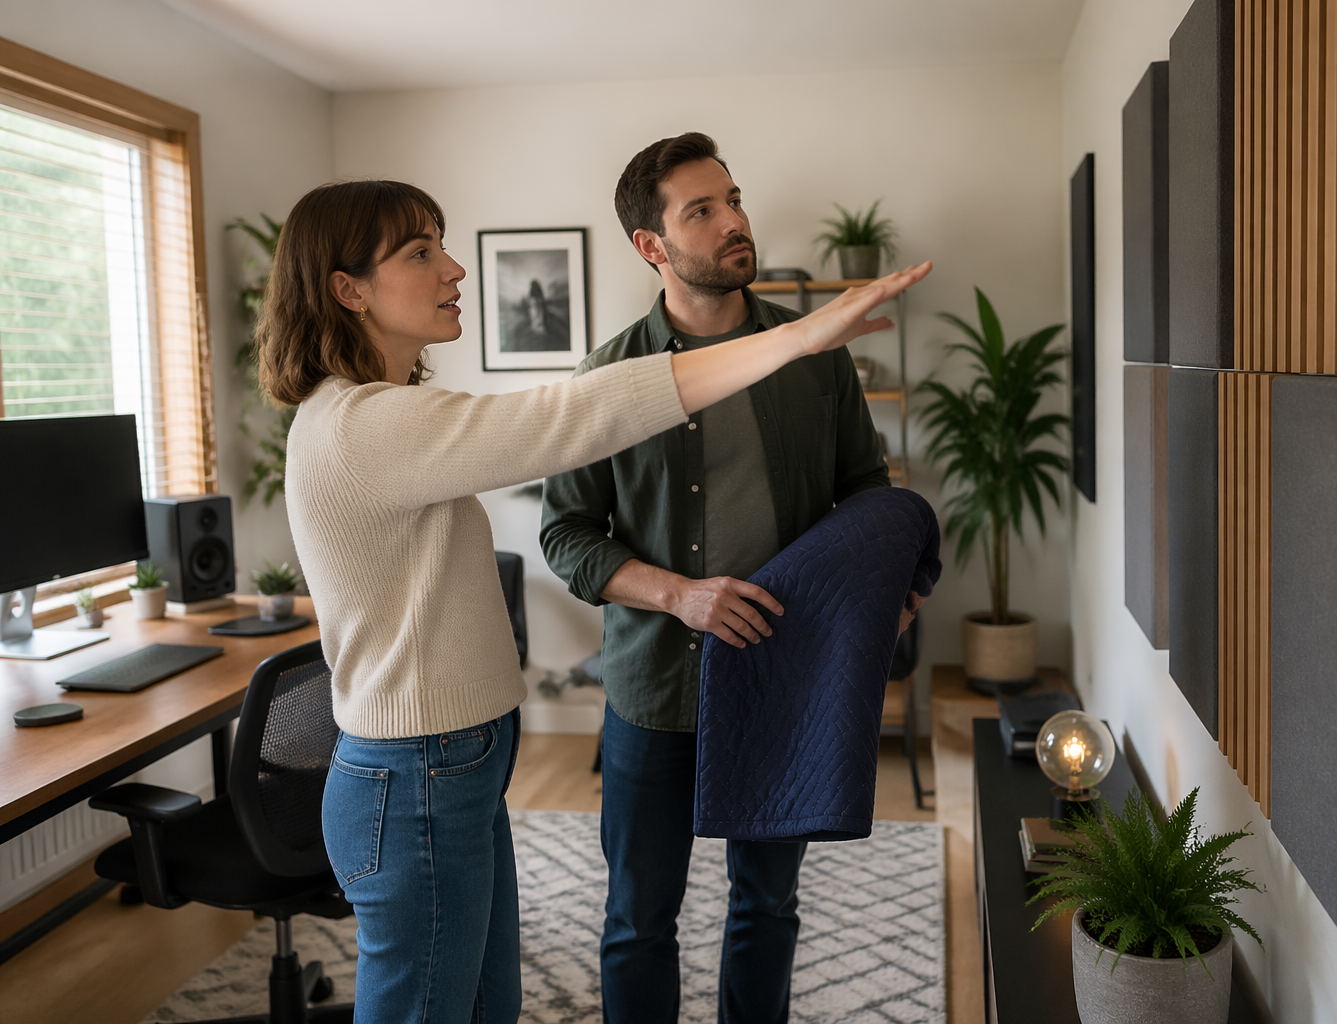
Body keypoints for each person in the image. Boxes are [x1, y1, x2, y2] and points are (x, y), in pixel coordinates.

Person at [258, 177, 929, 1024]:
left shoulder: (391, 414)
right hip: (417, 775)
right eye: (420, 253)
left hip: (453, 765)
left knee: (485, 1004)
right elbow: (572, 418)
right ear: (347, 289)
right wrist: (794, 339)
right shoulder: (362, 426)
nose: (454, 268)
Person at [540, 132, 927, 1024]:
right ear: (652, 245)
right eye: (701, 211)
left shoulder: (812, 353)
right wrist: (680, 594)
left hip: (777, 678)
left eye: (733, 199)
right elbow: (566, 534)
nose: (734, 222)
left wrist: (888, 584)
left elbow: (865, 491)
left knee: (768, 906)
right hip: (652, 692)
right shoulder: (607, 379)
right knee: (639, 920)